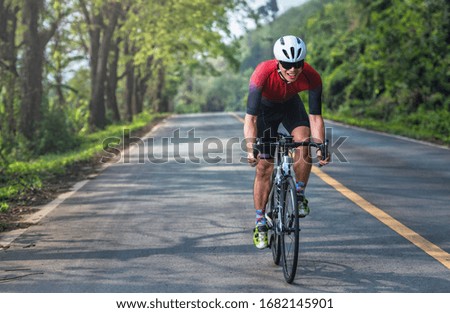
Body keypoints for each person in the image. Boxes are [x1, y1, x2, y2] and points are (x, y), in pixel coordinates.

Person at [243, 35, 330, 249]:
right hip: (265, 110)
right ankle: (260, 222)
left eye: (298, 64)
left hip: (291, 105)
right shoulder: (262, 74)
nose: (293, 69)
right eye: (288, 65)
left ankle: (299, 194)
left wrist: (321, 146)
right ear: (278, 62)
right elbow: (251, 119)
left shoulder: (311, 76)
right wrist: (250, 148)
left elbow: (316, 117)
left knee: (304, 143)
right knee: (264, 166)